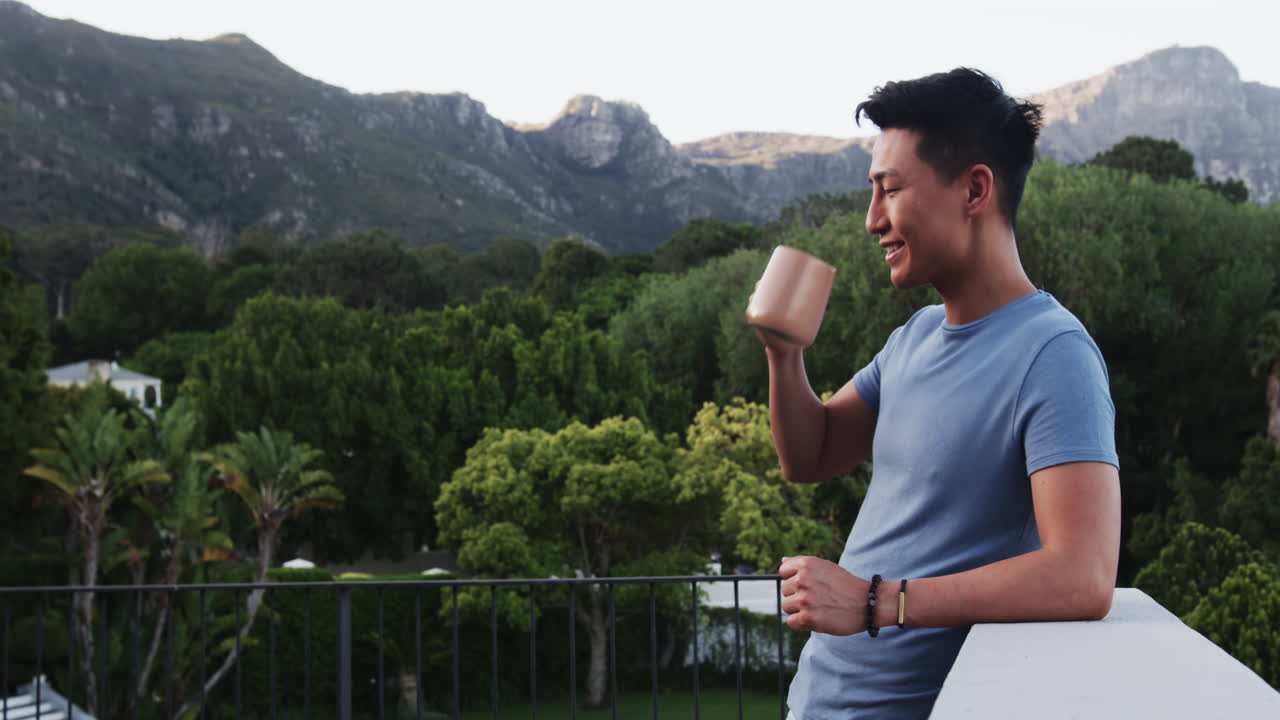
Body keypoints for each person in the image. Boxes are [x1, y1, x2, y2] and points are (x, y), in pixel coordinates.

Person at [758, 68, 1121, 718]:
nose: (873, 221)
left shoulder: (1053, 354)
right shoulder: (915, 338)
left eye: (890, 190)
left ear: (975, 189)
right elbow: (809, 456)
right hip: (814, 704)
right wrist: (783, 355)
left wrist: (875, 602)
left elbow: (1084, 575)